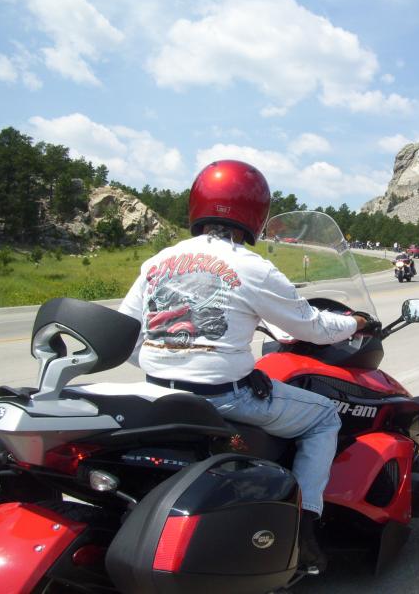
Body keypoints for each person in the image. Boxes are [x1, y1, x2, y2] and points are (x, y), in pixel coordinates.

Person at [118, 159, 375, 573]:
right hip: (222, 398)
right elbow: (312, 327)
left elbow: (127, 336)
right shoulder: (252, 267)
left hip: (160, 394)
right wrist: (357, 323)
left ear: (197, 204)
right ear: (255, 212)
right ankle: (306, 526)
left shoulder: (159, 260)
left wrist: (170, 364)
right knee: (325, 417)